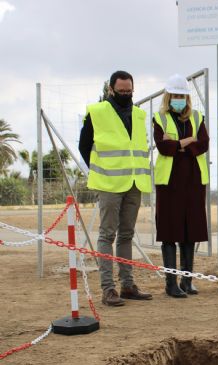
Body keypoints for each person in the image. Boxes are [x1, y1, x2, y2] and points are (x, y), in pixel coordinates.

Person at [79, 70, 153, 306]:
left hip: (134, 183)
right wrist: (102, 169)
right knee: (107, 234)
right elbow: (84, 146)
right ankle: (108, 289)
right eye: (121, 91)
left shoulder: (140, 115)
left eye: (129, 91)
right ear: (111, 90)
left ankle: (128, 285)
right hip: (109, 183)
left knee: (127, 235)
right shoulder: (97, 112)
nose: (125, 94)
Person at [153, 74, 210, 298]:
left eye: (183, 96)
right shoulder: (160, 118)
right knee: (170, 232)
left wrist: (176, 143)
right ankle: (171, 283)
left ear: (188, 98)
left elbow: (203, 143)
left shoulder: (197, 117)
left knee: (190, 232)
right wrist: (187, 142)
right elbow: (163, 147)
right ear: (168, 97)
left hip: (194, 182)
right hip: (169, 183)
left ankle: (187, 281)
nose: (179, 99)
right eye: (175, 96)